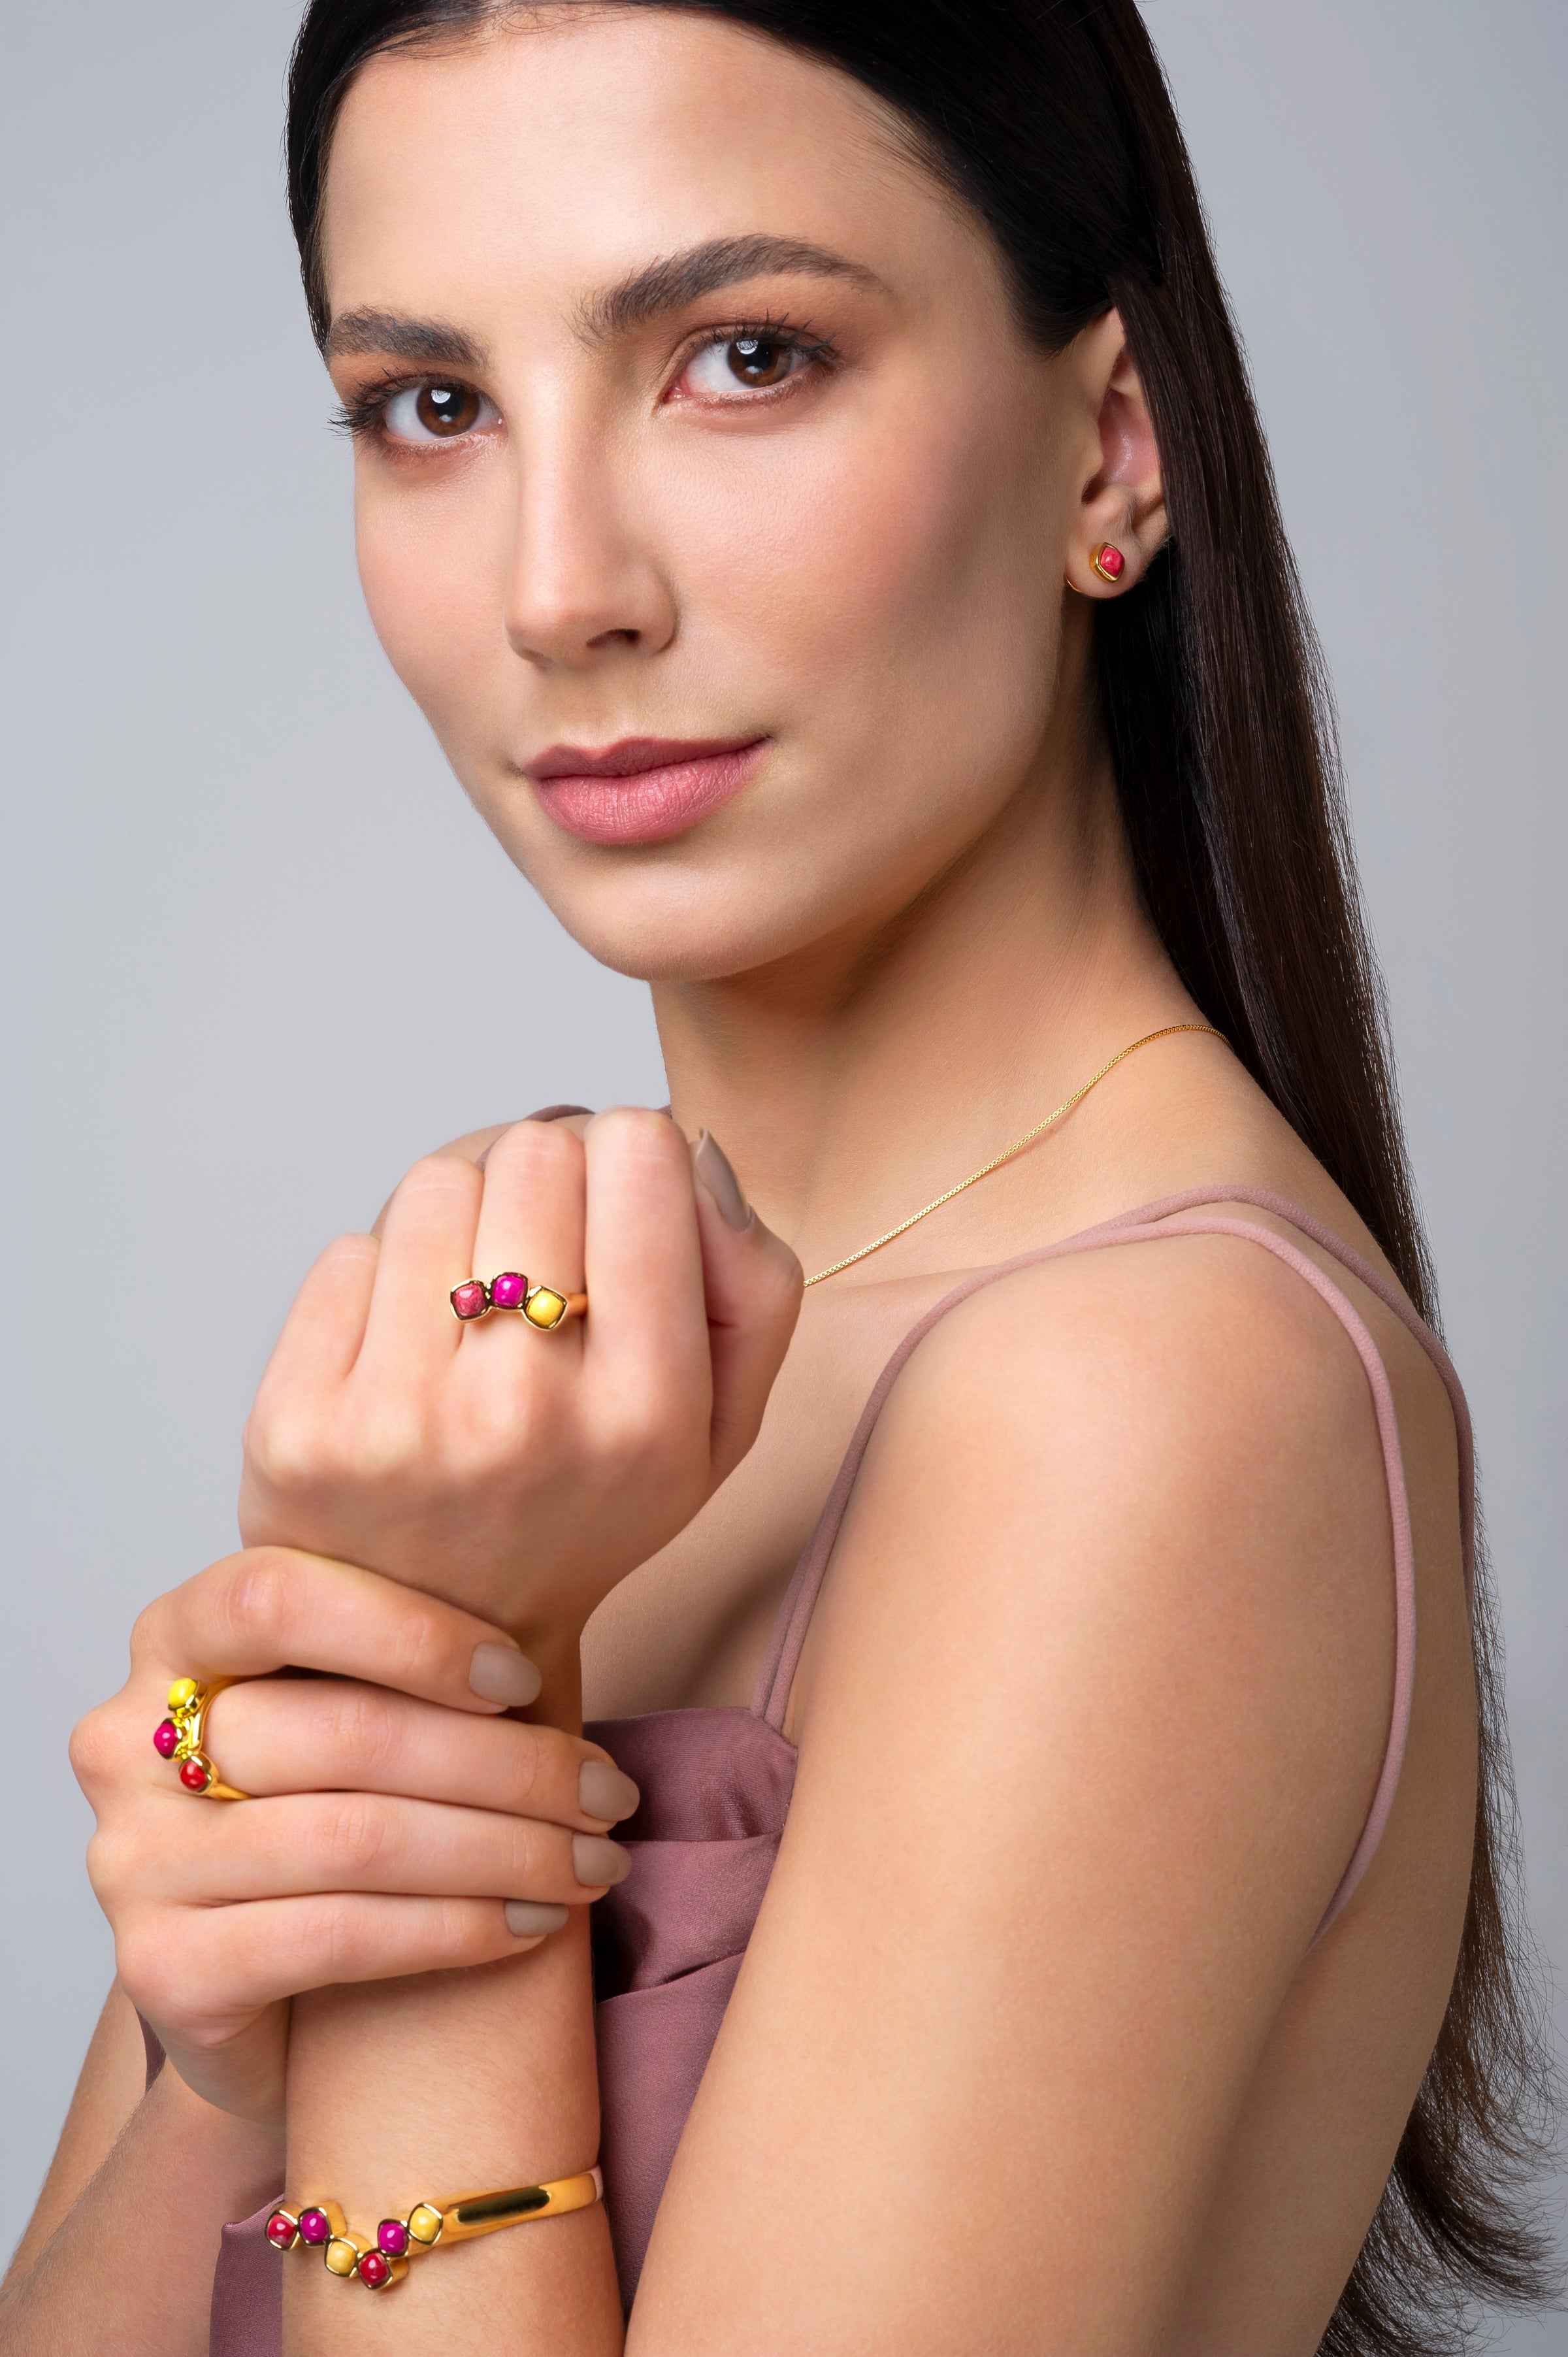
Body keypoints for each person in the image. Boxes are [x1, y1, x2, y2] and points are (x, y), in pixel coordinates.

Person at [1, 3, 1554, 2351]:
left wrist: (449, 1779)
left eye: (741, 356)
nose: (560, 587)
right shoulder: (542, 1347)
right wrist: (235, 2058)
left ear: (1110, 448)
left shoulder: (1154, 1392)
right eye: (433, 406)